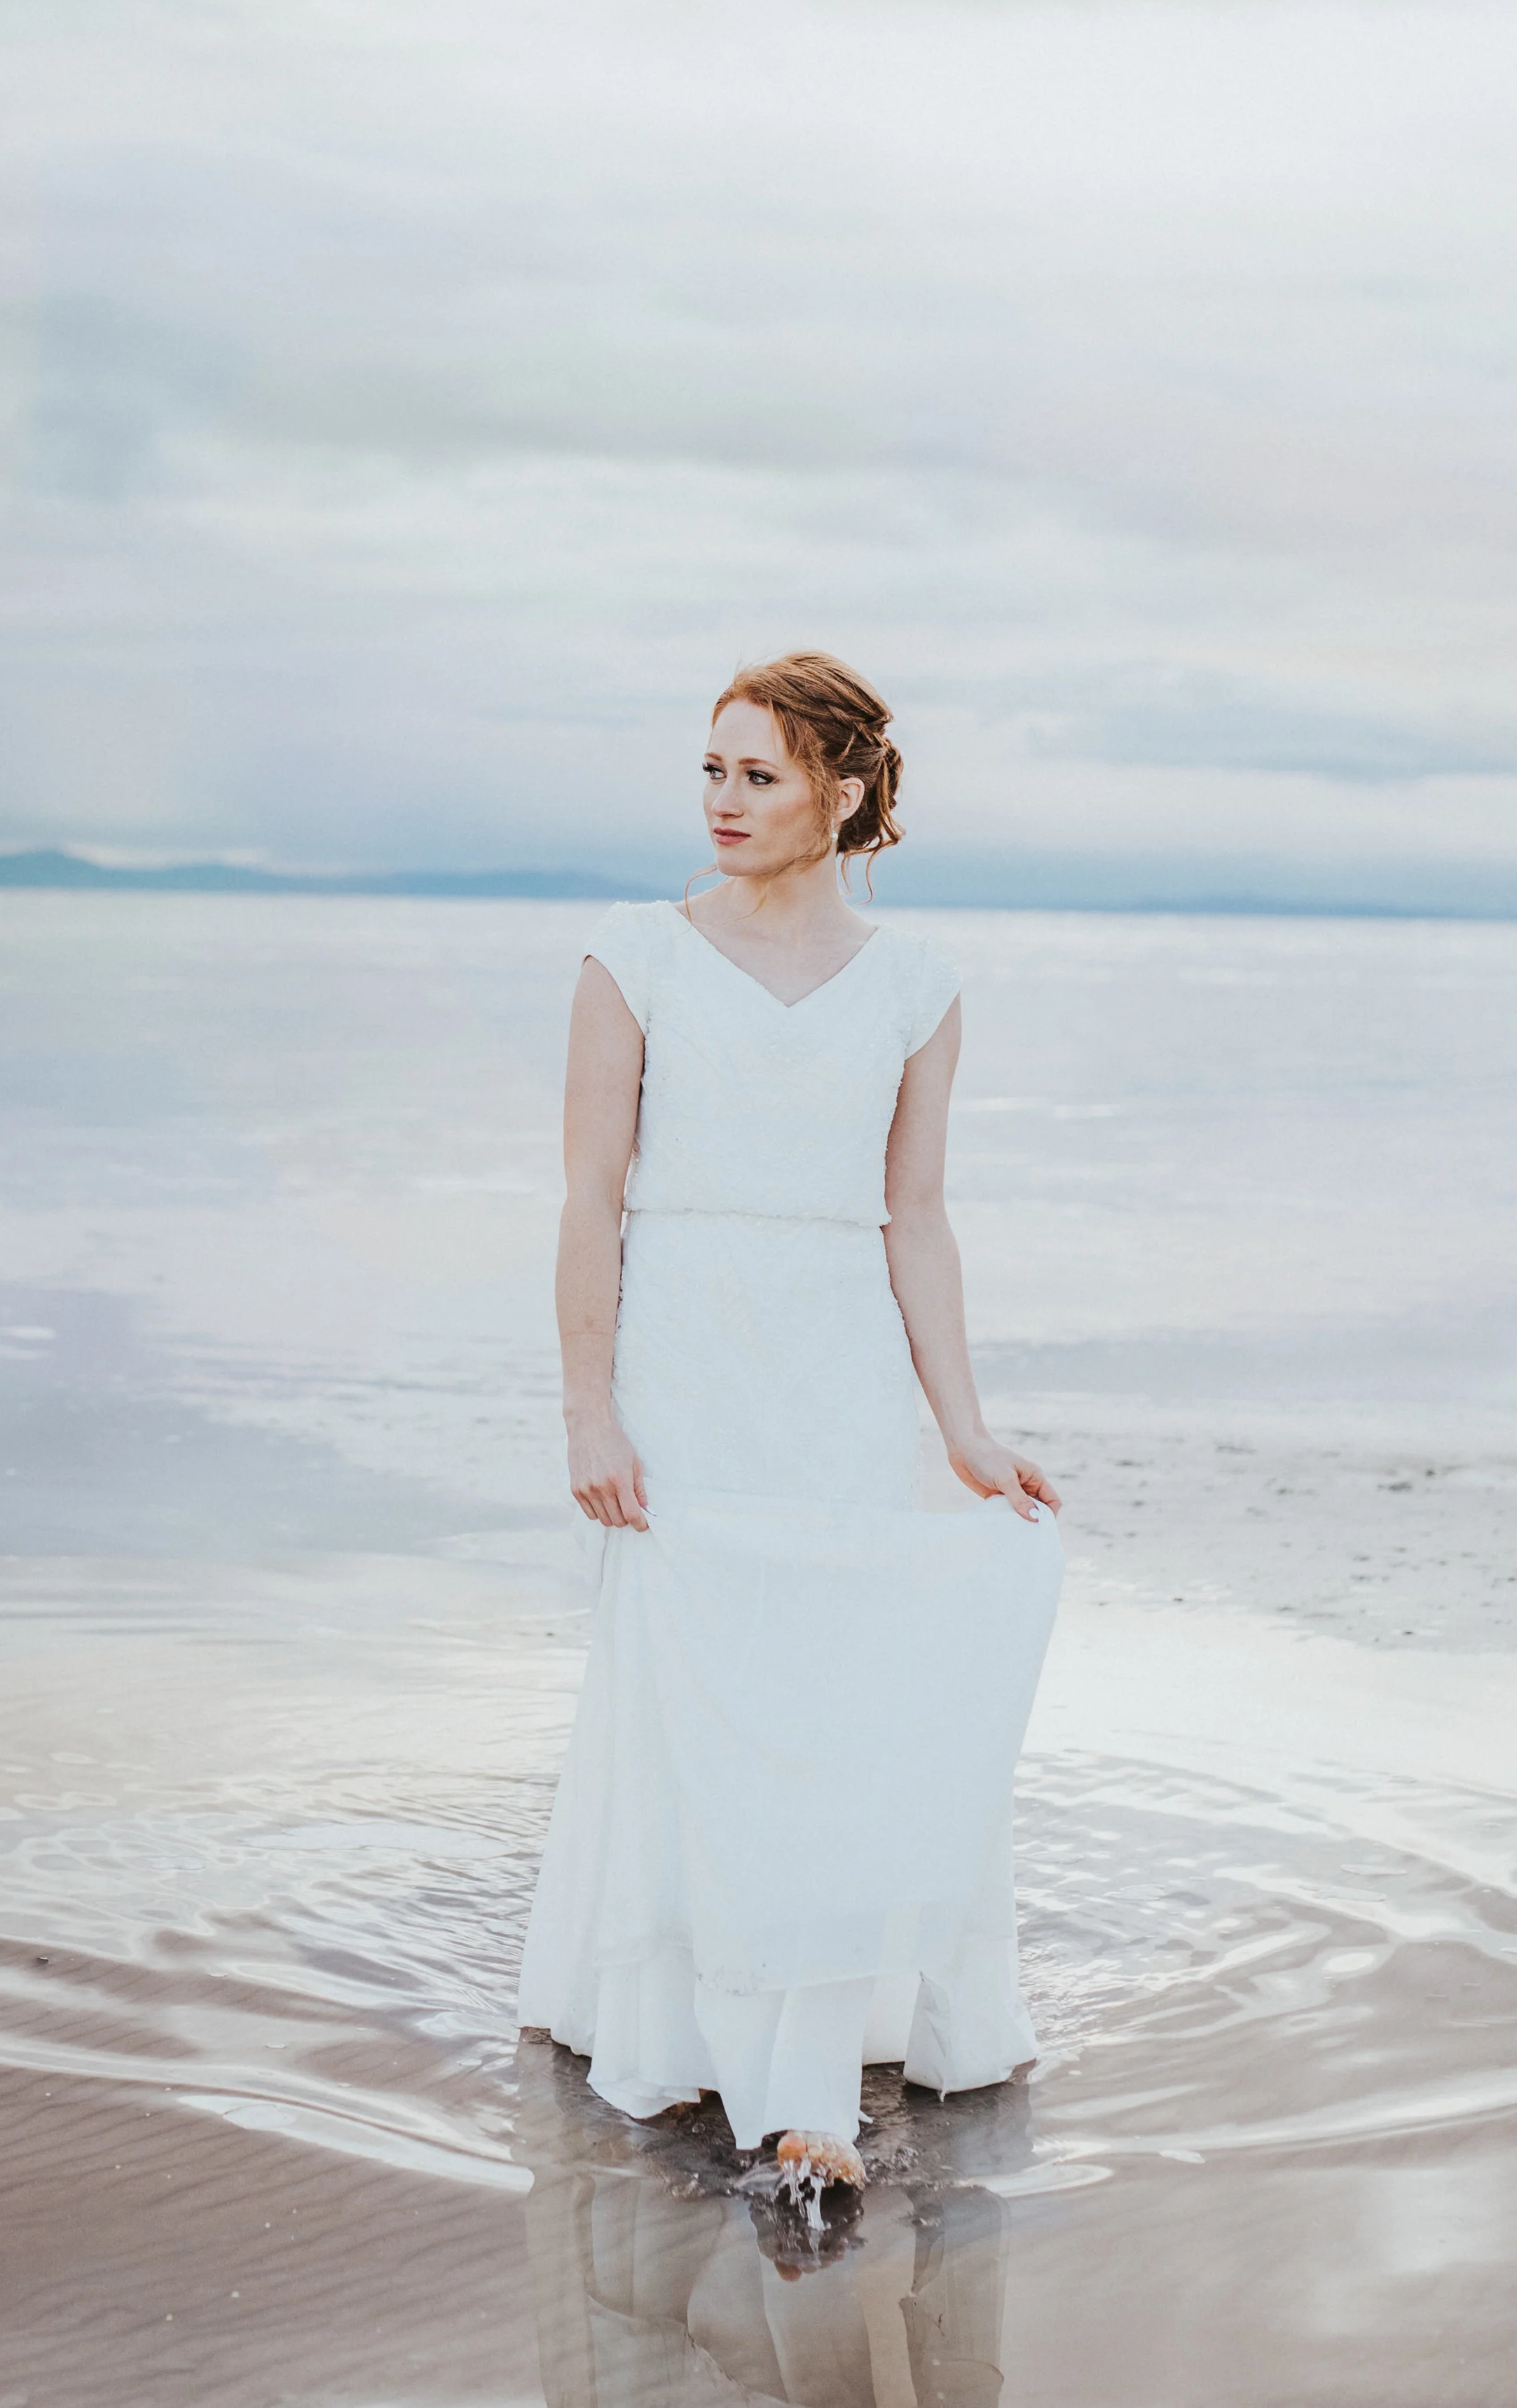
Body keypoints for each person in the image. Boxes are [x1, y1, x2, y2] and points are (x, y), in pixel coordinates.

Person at [516, 651, 1062, 2219]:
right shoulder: (633, 954)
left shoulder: (914, 982)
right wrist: (588, 1403)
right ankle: (697, 2029)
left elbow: (917, 1216)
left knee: (823, 1696)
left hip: (832, 1371)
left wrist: (961, 1429)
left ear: (840, 788)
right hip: (682, 1360)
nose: (722, 802)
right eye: (709, 771)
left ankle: (806, 2077)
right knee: (696, 1690)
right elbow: (587, 1200)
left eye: (757, 773)